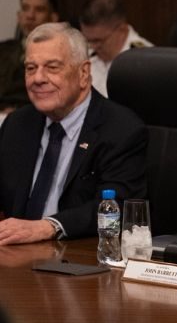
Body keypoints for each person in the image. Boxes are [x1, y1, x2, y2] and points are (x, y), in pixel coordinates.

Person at [0, 22, 147, 245]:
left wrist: (49, 226)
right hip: (16, 254)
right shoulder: (18, 124)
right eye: (31, 68)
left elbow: (117, 205)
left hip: (80, 259)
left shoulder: (120, 129)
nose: (37, 78)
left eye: (52, 67)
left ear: (83, 73)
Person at [79, 0, 152, 98]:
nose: (93, 47)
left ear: (122, 30)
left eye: (98, 41)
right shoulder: (86, 56)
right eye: (88, 40)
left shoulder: (147, 63)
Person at [0, 0, 60, 115]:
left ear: (53, 18)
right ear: (19, 16)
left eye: (39, 10)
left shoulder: (59, 54)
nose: (30, 16)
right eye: (25, 8)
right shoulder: (3, 49)